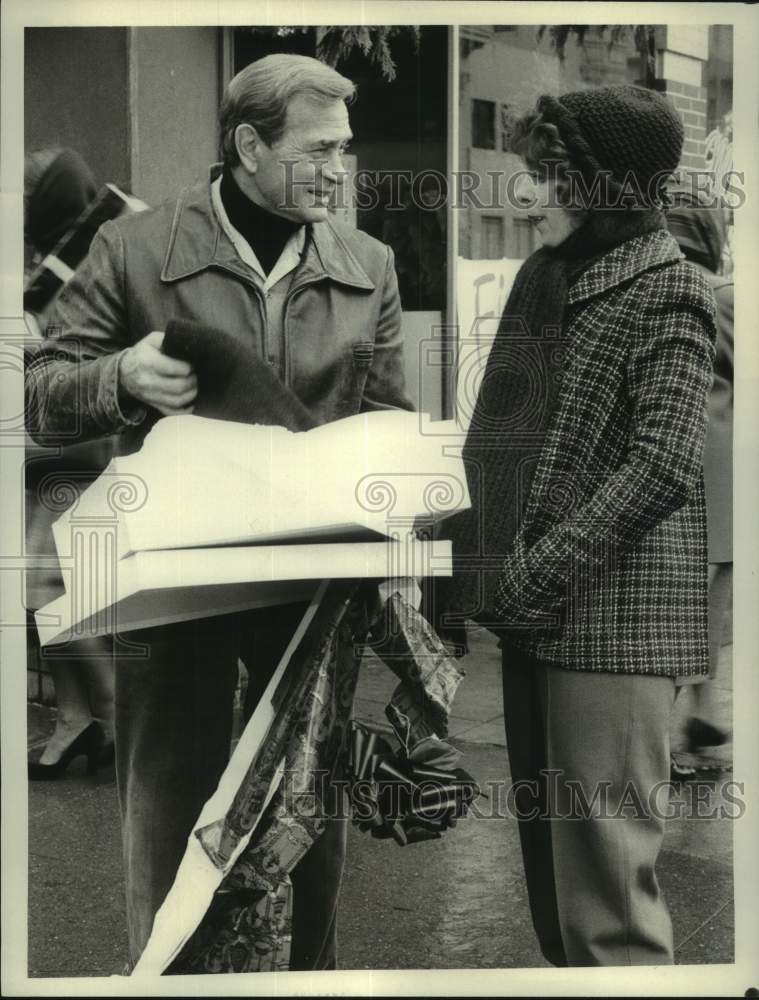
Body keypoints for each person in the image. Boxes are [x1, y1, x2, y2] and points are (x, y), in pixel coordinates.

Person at [25, 54, 411, 971]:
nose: (339, 169)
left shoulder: (369, 263)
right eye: (319, 148)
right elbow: (35, 395)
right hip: (172, 579)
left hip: (314, 586)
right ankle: (165, 978)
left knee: (305, 809)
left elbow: (390, 420)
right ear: (247, 145)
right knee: (168, 803)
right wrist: (116, 377)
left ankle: (305, 982)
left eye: (345, 149)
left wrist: (400, 507)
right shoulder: (132, 248)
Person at [428, 86, 716, 966]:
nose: (528, 196)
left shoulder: (669, 289)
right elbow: (504, 441)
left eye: (549, 179)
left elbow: (662, 462)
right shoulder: (550, 275)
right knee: (557, 898)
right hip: (533, 617)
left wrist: (534, 569)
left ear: (608, 188)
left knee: (606, 905)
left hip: (610, 629)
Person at [24, 147, 116, 779]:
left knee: (55, 590)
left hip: (80, 449)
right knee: (43, 587)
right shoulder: (79, 254)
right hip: (57, 454)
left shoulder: (88, 265)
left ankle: (114, 713)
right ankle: (77, 718)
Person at [667, 191, 733, 776]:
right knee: (699, 612)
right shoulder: (723, 295)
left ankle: (701, 721)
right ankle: (679, 737)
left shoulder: (655, 285)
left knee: (687, 609)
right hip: (718, 480)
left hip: (676, 474)